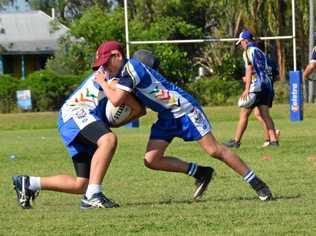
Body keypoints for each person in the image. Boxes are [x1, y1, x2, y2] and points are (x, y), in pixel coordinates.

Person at [93, 40, 273, 201]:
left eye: (106, 63)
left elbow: (116, 100)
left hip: (183, 108)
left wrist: (102, 82)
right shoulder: (122, 71)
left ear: (118, 56)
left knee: (214, 150)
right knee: (151, 159)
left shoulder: (131, 70)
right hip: (166, 115)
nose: (105, 68)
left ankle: (257, 183)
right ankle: (201, 172)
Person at [12, 68, 146, 209]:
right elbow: (124, 100)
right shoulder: (115, 76)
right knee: (108, 139)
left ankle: (28, 183)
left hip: (81, 119)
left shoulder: (121, 77)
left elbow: (139, 110)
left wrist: (115, 121)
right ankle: (93, 197)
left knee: (82, 184)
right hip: (76, 114)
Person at [223, 31, 278, 148]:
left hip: (256, 87)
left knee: (244, 113)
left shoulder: (248, 51)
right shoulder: (260, 51)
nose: (241, 45)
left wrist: (246, 89)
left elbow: (249, 69)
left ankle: (236, 141)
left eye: (242, 42)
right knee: (265, 114)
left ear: (246, 41)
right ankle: (273, 141)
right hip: (267, 87)